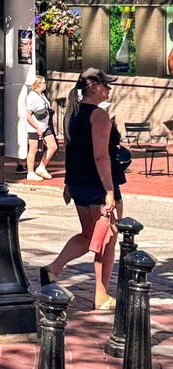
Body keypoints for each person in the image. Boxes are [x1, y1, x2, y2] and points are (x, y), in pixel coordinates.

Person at [40, 68, 126, 311]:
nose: (109, 89)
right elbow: (101, 156)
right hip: (98, 185)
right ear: (92, 87)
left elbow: (73, 149)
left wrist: (68, 181)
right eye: (105, 85)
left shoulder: (73, 114)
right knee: (107, 239)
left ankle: (54, 268)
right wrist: (109, 190)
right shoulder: (97, 115)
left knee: (89, 234)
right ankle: (101, 295)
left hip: (79, 183)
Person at [26, 76, 58, 181]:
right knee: (33, 149)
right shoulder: (32, 96)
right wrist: (36, 127)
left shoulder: (42, 95)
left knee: (53, 146)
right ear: (37, 84)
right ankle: (30, 172)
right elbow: (28, 115)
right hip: (35, 127)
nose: (45, 84)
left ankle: (41, 167)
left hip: (45, 126)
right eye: (43, 83)